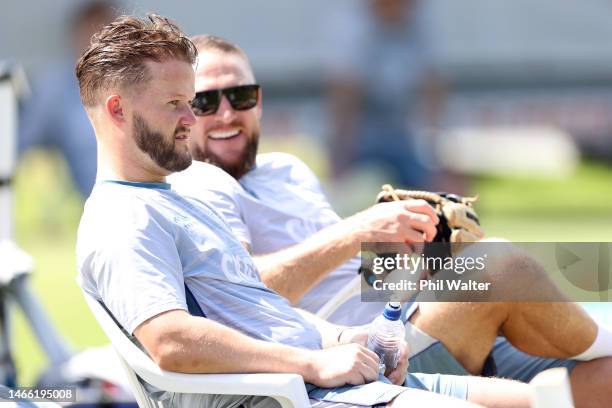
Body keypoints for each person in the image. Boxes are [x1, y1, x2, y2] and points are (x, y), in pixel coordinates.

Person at [74, 13, 534, 408]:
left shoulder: (220, 188)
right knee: (509, 267)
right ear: (118, 110)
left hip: (358, 351)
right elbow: (171, 342)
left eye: (241, 96)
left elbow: (259, 305)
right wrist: (316, 358)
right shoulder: (127, 215)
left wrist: (344, 339)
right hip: (299, 389)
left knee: (545, 389)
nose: (198, 119)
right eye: (180, 104)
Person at [169, 34, 612, 407]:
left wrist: (414, 253)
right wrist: (359, 229)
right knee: (501, 266)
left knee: (602, 377)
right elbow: (245, 295)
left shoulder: (287, 169)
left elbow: (343, 277)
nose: (226, 113)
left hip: (411, 319)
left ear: (259, 101)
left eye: (240, 96)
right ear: (185, 113)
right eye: (206, 101)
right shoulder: (197, 184)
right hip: (367, 359)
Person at [324, 0, 446, 189]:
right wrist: (341, 155)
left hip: (404, 137)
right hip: (362, 139)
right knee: (364, 191)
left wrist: (434, 148)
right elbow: (344, 95)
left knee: (434, 190)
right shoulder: (354, 29)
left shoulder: (417, 27)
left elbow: (433, 85)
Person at [19, 1, 118, 197]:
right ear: (76, 36)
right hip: (78, 201)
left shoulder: (137, 84)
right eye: (90, 33)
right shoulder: (54, 88)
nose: (97, 43)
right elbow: (24, 144)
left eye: (107, 34)